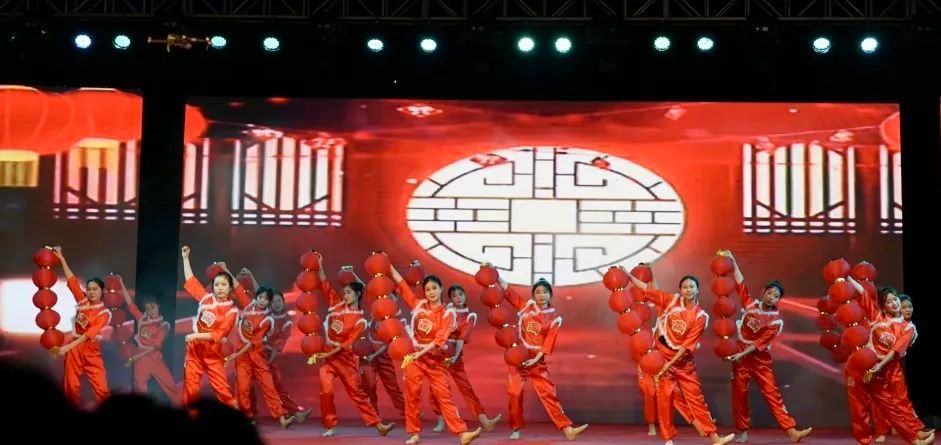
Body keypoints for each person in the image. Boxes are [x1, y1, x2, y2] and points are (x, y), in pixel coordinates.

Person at [626, 267, 735, 445]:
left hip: (683, 363)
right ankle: (668, 439)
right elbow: (648, 289)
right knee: (665, 398)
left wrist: (668, 366)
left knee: (697, 400)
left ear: (697, 289)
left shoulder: (700, 316)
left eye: (691, 286)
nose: (688, 290)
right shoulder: (671, 301)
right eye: (685, 287)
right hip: (662, 356)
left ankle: (715, 438)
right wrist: (629, 276)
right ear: (680, 290)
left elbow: (686, 346)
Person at [389, 258, 483, 445]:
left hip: (434, 360)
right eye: (427, 289)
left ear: (441, 289)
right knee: (412, 395)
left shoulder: (448, 314)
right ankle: (414, 434)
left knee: (444, 396)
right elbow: (402, 284)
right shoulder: (418, 305)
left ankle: (462, 434)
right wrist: (388, 266)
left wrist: (418, 353)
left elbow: (439, 340)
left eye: (434, 288)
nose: (431, 292)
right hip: (415, 359)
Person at [489, 266, 588, 441]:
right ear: (533, 295)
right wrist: (493, 273)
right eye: (538, 292)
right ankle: (515, 428)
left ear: (550, 294)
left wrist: (535, 360)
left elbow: (548, 342)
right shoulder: (526, 307)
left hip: (537, 360)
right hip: (518, 358)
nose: (541, 295)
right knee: (514, 393)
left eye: (545, 292)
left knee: (549, 394)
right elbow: (508, 291)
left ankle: (567, 429)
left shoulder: (554, 318)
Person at [724, 252, 812, 443]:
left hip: (760, 361)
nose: (772, 297)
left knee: (773, 395)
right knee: (739, 395)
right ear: (763, 292)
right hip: (741, 360)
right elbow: (740, 283)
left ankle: (791, 431)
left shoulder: (775, 321)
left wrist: (740, 354)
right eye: (770, 293)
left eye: (776, 296)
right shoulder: (750, 305)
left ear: (779, 300)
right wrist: (733, 261)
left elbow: (758, 344)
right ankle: (743, 432)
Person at [312, 254, 394, 437]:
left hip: (345, 361)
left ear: (357, 294)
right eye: (345, 292)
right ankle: (330, 425)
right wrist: (319, 265)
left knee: (357, 393)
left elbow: (344, 345)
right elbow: (324, 283)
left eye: (349, 292)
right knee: (326, 390)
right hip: (328, 361)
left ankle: (378, 425)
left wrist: (324, 354)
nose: (345, 295)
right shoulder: (335, 304)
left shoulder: (360, 321)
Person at [843, 278, 933, 445]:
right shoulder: (877, 317)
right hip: (860, 367)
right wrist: (847, 277)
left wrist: (878, 366)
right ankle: (864, 441)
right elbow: (863, 294)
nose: (894, 303)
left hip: (879, 369)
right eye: (889, 301)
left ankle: (913, 438)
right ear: (884, 307)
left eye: (895, 299)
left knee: (890, 407)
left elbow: (895, 350)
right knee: (858, 407)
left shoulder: (908, 328)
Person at [430, 284, 502, 433]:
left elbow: (461, 339)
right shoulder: (445, 310)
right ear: (450, 298)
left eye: (461, 294)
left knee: (466, 388)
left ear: (465, 295)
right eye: (454, 295)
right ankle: (441, 420)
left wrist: (455, 356)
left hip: (455, 355)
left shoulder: (469, 316)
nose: (458, 298)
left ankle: (485, 422)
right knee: (435, 389)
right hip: (439, 353)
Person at [226, 282, 296, 429]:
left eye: (266, 299)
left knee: (269, 386)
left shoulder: (268, 320)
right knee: (243, 388)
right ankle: (247, 416)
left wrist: (236, 354)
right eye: (260, 297)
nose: (262, 300)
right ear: (256, 297)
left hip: (257, 355)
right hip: (243, 358)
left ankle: (282, 418)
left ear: (268, 302)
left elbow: (252, 342)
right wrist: (226, 272)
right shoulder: (248, 306)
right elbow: (238, 289)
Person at [179, 245, 240, 408]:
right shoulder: (206, 299)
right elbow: (191, 281)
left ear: (230, 288)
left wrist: (196, 335)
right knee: (190, 389)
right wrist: (185, 258)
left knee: (223, 390)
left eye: (224, 285)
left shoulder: (231, 311)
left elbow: (218, 335)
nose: (220, 288)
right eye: (217, 284)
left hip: (212, 353)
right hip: (194, 351)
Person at [50, 245, 112, 407]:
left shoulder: (104, 313)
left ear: (102, 291)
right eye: (89, 289)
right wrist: (61, 258)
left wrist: (66, 347)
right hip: (75, 348)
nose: (91, 292)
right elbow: (72, 281)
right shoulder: (82, 301)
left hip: (90, 348)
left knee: (101, 387)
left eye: (95, 289)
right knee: (70, 385)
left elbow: (88, 335)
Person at [120, 276, 180, 403]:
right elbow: (130, 303)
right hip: (140, 358)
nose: (150, 310)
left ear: (158, 306)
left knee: (170, 386)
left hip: (153, 357)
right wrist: (121, 283)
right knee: (140, 388)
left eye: (152, 307)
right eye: (147, 308)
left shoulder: (163, 325)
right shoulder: (142, 319)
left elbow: (154, 346)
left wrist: (133, 359)